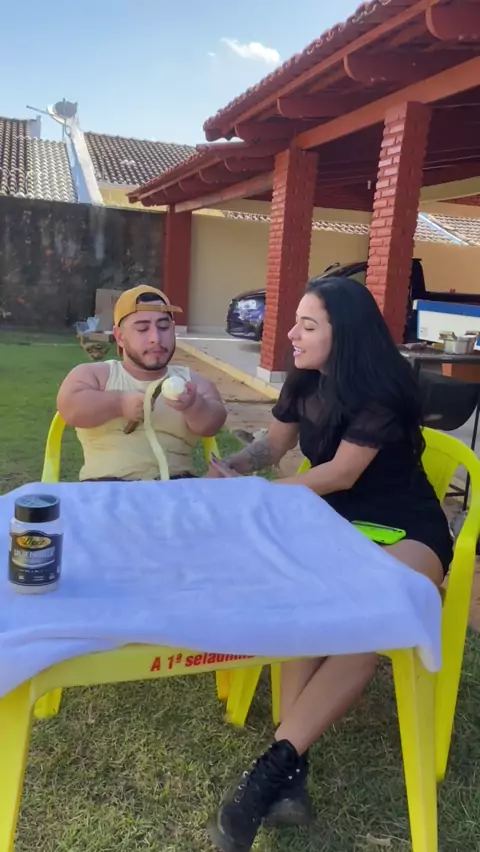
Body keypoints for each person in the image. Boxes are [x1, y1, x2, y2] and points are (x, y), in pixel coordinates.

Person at [207, 275, 453, 852]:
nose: (291, 335)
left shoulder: (382, 389)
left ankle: (267, 775)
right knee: (309, 613)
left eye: (307, 325)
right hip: (335, 529)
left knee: (369, 622)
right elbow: (274, 446)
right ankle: (289, 775)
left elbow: (341, 473)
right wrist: (234, 469)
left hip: (405, 531)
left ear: (344, 336)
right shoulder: (304, 378)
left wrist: (260, 495)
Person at [57, 285, 226, 481]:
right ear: (120, 336)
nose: (156, 338)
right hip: (105, 488)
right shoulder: (95, 375)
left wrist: (194, 405)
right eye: (142, 329)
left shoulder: (193, 383)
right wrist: (119, 404)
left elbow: (213, 424)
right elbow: (69, 408)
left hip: (175, 487)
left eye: (164, 327)